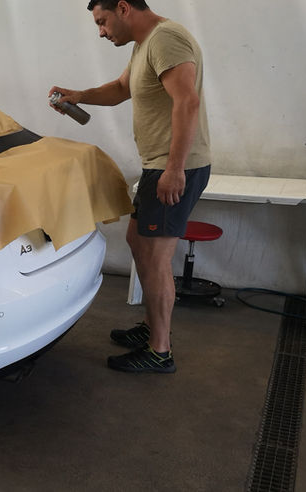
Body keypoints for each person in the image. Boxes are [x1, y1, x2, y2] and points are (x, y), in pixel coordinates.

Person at [49, 0, 211, 373]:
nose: (101, 32)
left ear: (123, 8)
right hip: (158, 165)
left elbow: (187, 102)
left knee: (155, 259)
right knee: (138, 242)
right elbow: (122, 88)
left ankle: (159, 351)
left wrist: (174, 169)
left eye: (102, 22)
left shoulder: (165, 39)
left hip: (173, 167)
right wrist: (78, 96)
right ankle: (152, 327)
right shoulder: (145, 44)